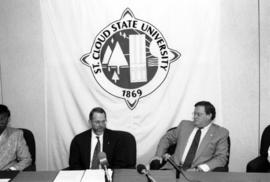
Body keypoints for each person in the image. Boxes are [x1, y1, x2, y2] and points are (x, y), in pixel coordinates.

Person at [153, 101, 229, 172]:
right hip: (173, 169)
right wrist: (158, 155)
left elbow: (221, 158)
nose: (195, 117)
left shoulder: (220, 133)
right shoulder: (184, 125)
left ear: (209, 116)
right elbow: (167, 138)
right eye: (194, 113)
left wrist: (199, 169)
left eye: (199, 114)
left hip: (198, 174)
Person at [69, 107, 136, 170]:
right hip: (86, 176)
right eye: (97, 122)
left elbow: (119, 164)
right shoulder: (78, 140)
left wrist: (108, 174)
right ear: (90, 122)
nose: (101, 125)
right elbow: (74, 164)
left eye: (103, 121)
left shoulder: (116, 139)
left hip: (108, 176)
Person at [0, 104, 32, 171]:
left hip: (7, 173)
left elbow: (26, 159)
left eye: (4, 118)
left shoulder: (16, 134)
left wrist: (12, 169)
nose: (2, 121)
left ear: (8, 119)